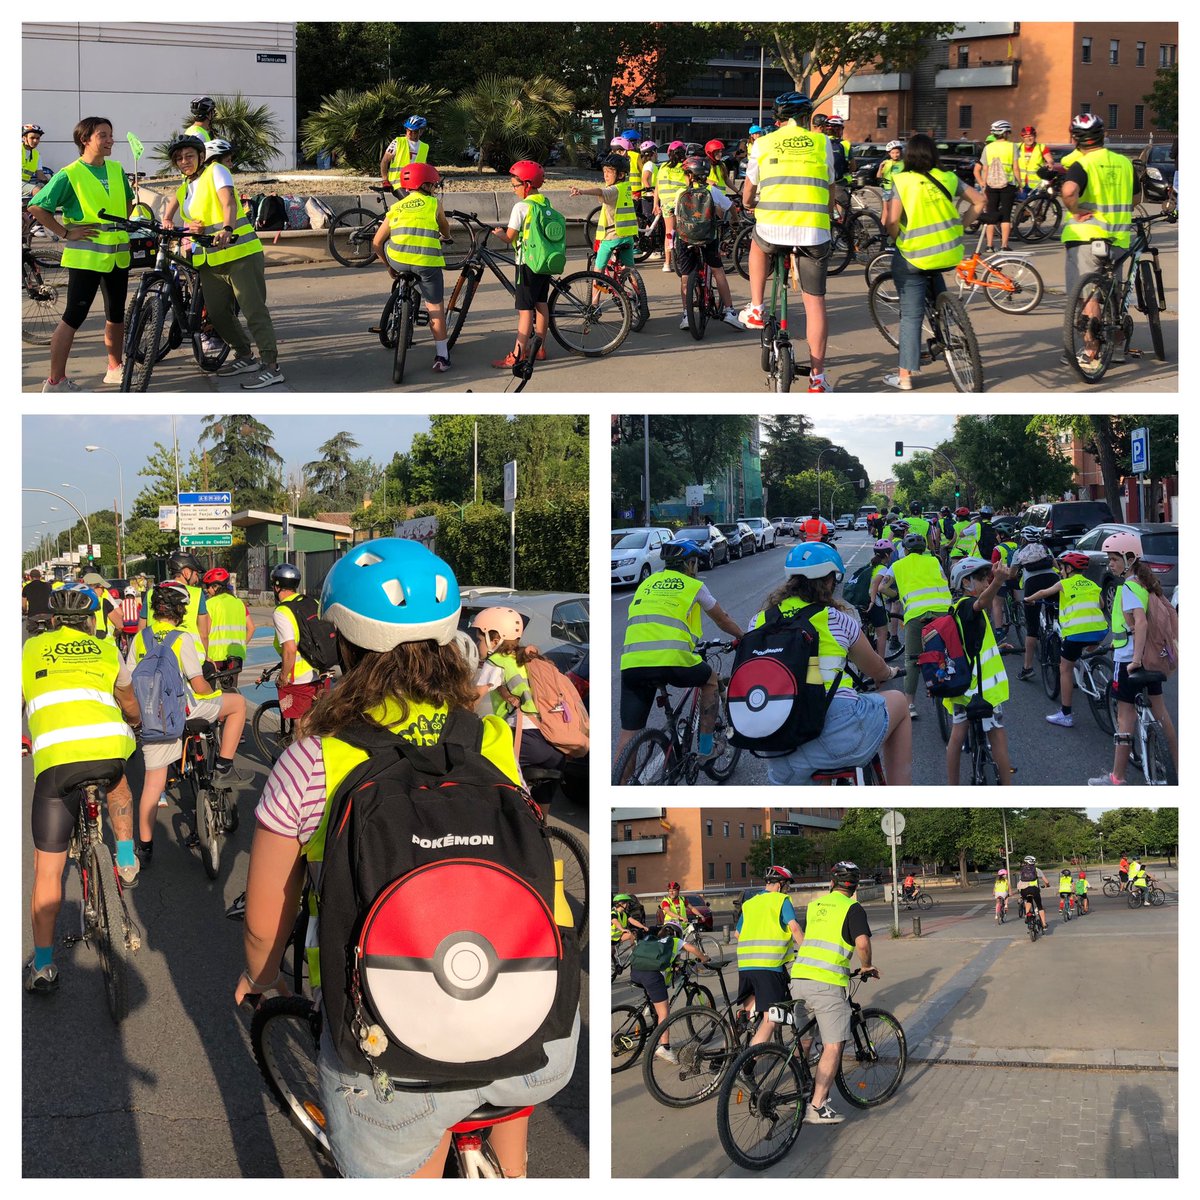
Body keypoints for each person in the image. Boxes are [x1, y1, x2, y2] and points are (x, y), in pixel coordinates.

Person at [236, 537, 577, 1177]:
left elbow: (263, 923)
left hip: (390, 1048)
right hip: (540, 1029)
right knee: (500, 1062)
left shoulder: (316, 757)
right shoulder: (493, 736)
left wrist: (261, 980)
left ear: (342, 642)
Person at [22, 586, 141, 990]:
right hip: (108, 753)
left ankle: (42, 967)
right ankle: (125, 858)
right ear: (90, 621)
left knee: (48, 870)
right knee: (119, 786)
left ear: (52, 622)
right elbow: (128, 702)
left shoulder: (30, 651)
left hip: (57, 764)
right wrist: (137, 724)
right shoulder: (107, 650)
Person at [750, 542, 911, 785]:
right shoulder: (837, 618)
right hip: (839, 740)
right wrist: (889, 671)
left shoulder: (758, 621)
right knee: (898, 701)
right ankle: (900, 803)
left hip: (779, 749)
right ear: (828, 581)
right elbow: (875, 669)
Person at [127, 581, 246, 870]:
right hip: (185, 710)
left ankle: (144, 848)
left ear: (154, 610)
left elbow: (130, 682)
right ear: (180, 611)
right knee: (238, 705)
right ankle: (224, 764)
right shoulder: (182, 639)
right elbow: (198, 683)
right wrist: (214, 693)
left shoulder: (140, 638)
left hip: (156, 718)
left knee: (152, 786)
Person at [162, 135, 284, 389]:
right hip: (210, 260)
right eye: (179, 159)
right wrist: (177, 224)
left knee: (253, 311)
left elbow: (227, 200)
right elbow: (182, 214)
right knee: (217, 314)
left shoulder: (216, 171)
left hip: (240, 253)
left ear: (200, 157)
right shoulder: (185, 188)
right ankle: (244, 355)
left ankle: (271, 366)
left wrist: (227, 227)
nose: (184, 162)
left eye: (189, 156)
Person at [615, 540, 744, 775]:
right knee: (711, 680)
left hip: (633, 663)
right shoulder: (693, 585)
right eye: (695, 563)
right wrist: (743, 637)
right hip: (673, 659)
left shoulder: (647, 583)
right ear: (690, 564)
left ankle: (619, 789)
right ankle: (706, 750)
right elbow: (722, 618)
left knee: (628, 738)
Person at [28, 116, 134, 392]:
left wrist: (117, 225)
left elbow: (127, 203)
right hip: (86, 256)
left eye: (111, 134)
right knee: (73, 316)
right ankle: (55, 382)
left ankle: (114, 367)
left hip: (117, 255)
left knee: (116, 314)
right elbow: (38, 207)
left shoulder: (116, 169)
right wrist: (65, 232)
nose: (110, 140)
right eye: (103, 135)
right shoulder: (70, 173)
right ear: (84, 140)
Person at [740, 92, 837, 393]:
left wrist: (748, 204)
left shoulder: (762, 143)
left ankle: (757, 307)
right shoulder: (823, 143)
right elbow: (830, 188)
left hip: (773, 228)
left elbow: (748, 190)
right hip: (813, 232)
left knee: (757, 244)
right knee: (815, 303)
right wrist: (829, 216)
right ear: (808, 118)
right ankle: (817, 380)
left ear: (777, 120)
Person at [882, 134, 984, 390]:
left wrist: (898, 240)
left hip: (915, 255)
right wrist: (961, 225)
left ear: (908, 156)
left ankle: (905, 376)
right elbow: (981, 201)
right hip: (949, 252)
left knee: (910, 316)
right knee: (935, 276)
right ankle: (947, 321)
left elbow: (892, 221)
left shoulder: (902, 180)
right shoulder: (948, 177)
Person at [788, 861, 878, 1124]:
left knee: (805, 1039)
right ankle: (817, 1106)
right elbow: (862, 943)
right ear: (855, 886)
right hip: (826, 983)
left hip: (799, 977)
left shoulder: (816, 906)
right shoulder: (852, 907)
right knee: (833, 1045)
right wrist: (866, 966)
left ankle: (798, 1085)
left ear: (832, 883)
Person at [1088, 531, 1178, 785]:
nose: (1110, 564)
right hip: (1151, 659)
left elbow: (1140, 624)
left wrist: (1135, 659)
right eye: (1109, 559)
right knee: (1161, 715)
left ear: (1130, 558)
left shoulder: (1128, 587)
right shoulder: (1145, 583)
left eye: (1114, 559)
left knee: (1124, 718)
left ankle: (1117, 777)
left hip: (1128, 660)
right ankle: (1178, 768)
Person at [1059, 114, 1135, 367]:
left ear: (1075, 138)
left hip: (1086, 238)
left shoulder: (1082, 164)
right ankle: (1118, 345)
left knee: (1088, 297)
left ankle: (1091, 353)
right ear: (1102, 135)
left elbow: (1069, 191)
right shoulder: (1124, 162)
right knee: (1113, 293)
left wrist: (1076, 210)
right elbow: (1135, 199)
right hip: (1119, 238)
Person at [372, 160, 452, 373]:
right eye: (433, 185)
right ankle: (442, 356)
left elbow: (376, 243)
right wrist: (447, 236)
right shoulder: (434, 204)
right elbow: (444, 227)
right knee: (435, 308)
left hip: (398, 260)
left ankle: (399, 293)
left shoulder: (396, 207)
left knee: (390, 244)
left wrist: (389, 267)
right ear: (426, 185)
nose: (435, 188)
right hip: (427, 263)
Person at [468, 605, 566, 781]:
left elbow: (473, 699)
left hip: (524, 738)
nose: (477, 644)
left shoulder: (497, 661)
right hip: (551, 740)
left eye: (480, 639)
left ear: (495, 638)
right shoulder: (526, 657)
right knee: (541, 798)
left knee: (479, 766)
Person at [944, 557, 1016, 786]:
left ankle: (952, 788)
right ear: (965, 582)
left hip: (962, 688)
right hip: (984, 689)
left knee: (957, 735)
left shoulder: (955, 610)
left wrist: (997, 646)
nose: (987, 583)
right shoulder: (967, 604)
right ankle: (1007, 791)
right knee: (998, 737)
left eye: (988, 579)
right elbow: (980, 604)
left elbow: (973, 641)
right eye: (983, 579)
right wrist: (999, 582)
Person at [1024, 551, 1106, 728]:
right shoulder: (1091, 584)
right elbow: (1101, 604)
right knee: (1086, 647)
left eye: (1062, 568)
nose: (1060, 571)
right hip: (1100, 631)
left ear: (1069, 569)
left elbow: (1045, 592)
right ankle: (1091, 666)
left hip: (1076, 633)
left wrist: (1029, 599)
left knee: (1065, 668)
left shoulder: (1064, 583)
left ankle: (1066, 714)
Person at [877, 530, 952, 719]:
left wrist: (899, 597)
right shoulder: (934, 561)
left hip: (915, 615)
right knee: (950, 651)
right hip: (942, 611)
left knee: (912, 659)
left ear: (906, 550)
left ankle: (910, 704)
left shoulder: (897, 565)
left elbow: (882, 587)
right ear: (924, 549)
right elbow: (945, 582)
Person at [734, 864, 804, 1052]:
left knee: (748, 1014)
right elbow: (795, 928)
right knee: (771, 1019)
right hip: (769, 967)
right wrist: (807, 952)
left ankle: (730, 1054)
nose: (787, 889)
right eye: (787, 885)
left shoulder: (749, 903)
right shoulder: (781, 900)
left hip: (745, 966)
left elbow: (737, 934)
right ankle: (746, 1066)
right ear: (780, 884)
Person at [490, 160, 553, 369]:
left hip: (526, 263)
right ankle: (539, 349)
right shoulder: (545, 202)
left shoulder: (521, 207)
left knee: (525, 310)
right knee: (541, 305)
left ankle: (517, 355)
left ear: (526, 185)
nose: (514, 189)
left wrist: (500, 234)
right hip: (544, 262)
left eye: (515, 185)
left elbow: (510, 237)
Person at [673, 155, 743, 330]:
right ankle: (730, 312)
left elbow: (677, 216)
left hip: (686, 238)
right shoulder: (713, 191)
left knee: (686, 276)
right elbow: (731, 207)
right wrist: (734, 220)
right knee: (718, 271)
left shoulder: (680, 193)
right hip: (708, 238)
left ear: (689, 175)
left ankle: (686, 316)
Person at [634, 920, 711, 1064]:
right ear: (677, 933)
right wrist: (704, 958)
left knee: (656, 1002)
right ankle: (665, 1048)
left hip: (637, 972)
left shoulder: (655, 939)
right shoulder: (674, 940)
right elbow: (693, 949)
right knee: (664, 1013)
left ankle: (648, 1019)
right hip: (652, 976)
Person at [269, 562, 323, 725]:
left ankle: (302, 751)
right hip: (321, 669)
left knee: (301, 726)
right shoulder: (312, 602)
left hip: (299, 676)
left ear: (277, 586)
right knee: (317, 722)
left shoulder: (282, 611)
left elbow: (290, 649)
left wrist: (284, 676)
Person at [570, 153, 637, 280]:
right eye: (604, 171)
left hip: (612, 237)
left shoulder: (614, 190)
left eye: (609, 172)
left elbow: (600, 191)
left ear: (621, 175)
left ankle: (595, 301)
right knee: (630, 269)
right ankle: (639, 296)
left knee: (598, 269)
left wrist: (582, 191)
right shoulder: (626, 187)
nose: (605, 175)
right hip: (628, 236)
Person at [1011, 528, 1060, 683]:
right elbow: (1057, 567)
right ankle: (1067, 664)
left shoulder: (1019, 552)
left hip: (1032, 585)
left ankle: (1027, 668)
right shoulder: (1046, 549)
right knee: (1058, 621)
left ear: (1023, 538)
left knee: (1032, 629)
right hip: (1053, 581)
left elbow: (1012, 574)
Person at [142, 550, 211, 648]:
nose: (197, 579)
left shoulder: (152, 592)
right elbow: (204, 634)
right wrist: (207, 657)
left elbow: (141, 628)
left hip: (156, 653)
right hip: (190, 655)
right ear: (186, 573)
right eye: (196, 574)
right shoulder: (197, 594)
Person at [201, 566, 254, 688]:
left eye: (208, 586)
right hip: (236, 657)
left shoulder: (210, 604)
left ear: (215, 586)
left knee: (215, 696)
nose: (207, 590)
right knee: (232, 691)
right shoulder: (239, 603)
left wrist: (205, 655)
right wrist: (241, 644)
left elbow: (205, 632)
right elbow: (251, 628)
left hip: (215, 658)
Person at [973, 119, 1018, 251]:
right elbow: (1015, 168)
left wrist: (984, 185)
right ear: (1006, 133)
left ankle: (989, 245)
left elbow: (985, 169)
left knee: (991, 214)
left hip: (991, 185)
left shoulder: (988, 147)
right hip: (1008, 185)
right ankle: (1004, 245)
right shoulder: (1012, 146)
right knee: (1006, 216)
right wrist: (1019, 183)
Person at [653, 141, 688, 272]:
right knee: (684, 230)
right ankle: (683, 259)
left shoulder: (662, 167)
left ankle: (667, 263)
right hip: (682, 202)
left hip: (666, 203)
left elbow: (657, 186)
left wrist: (656, 204)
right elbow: (689, 184)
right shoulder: (685, 167)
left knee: (669, 231)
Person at [380, 115, 430, 191]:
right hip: (397, 184)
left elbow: (424, 168)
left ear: (421, 131)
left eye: (414, 131)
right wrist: (385, 180)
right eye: (408, 130)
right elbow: (384, 161)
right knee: (409, 201)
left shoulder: (424, 147)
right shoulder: (398, 142)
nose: (410, 133)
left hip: (415, 185)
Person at [865, 539, 897, 658]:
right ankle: (881, 665)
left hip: (863, 600)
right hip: (874, 603)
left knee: (869, 630)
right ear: (887, 554)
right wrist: (894, 595)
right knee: (882, 634)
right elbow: (878, 587)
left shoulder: (871, 565)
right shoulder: (883, 569)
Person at [1015, 126, 1054, 197]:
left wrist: (1049, 164)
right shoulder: (1017, 147)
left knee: (1036, 206)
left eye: (1031, 136)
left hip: (1037, 185)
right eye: (1026, 137)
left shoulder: (1041, 147)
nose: (1028, 139)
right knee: (1021, 206)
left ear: (1035, 136)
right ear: (1023, 138)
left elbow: (1049, 159)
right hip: (1021, 184)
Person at [1016, 855, 1050, 933]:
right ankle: (1044, 924)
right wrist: (1047, 885)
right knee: (1039, 906)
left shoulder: (1022, 870)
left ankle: (1027, 915)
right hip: (1034, 890)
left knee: (1028, 900)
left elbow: (1020, 881)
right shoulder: (1037, 869)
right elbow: (1046, 881)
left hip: (1024, 890)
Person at [22, 123, 52, 194]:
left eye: (37, 138)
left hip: (26, 183)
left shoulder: (37, 155)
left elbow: (40, 175)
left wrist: (51, 183)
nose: (35, 141)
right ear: (24, 138)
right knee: (37, 191)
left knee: (49, 189)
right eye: (32, 138)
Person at [638, 141, 659, 224]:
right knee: (650, 220)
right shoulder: (649, 164)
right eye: (656, 152)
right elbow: (644, 179)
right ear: (653, 153)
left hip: (649, 196)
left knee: (650, 220)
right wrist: (652, 192)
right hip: (649, 196)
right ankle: (648, 236)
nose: (657, 155)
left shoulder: (649, 164)